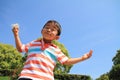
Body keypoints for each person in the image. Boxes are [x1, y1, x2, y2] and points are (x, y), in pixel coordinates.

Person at [12, 20, 93, 80]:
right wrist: (16, 35)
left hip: (46, 78)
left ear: (56, 37)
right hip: (27, 76)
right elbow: (20, 48)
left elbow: (66, 61)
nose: (49, 30)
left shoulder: (56, 49)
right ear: (41, 31)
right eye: (47, 27)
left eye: (53, 29)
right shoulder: (33, 43)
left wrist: (82, 58)